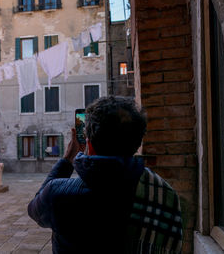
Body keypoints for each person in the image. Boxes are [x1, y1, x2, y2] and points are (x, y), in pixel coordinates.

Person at [27, 96, 183, 254]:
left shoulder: (57, 194)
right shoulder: (164, 193)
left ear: (89, 145)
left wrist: (67, 160)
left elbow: (35, 210)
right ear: (137, 144)